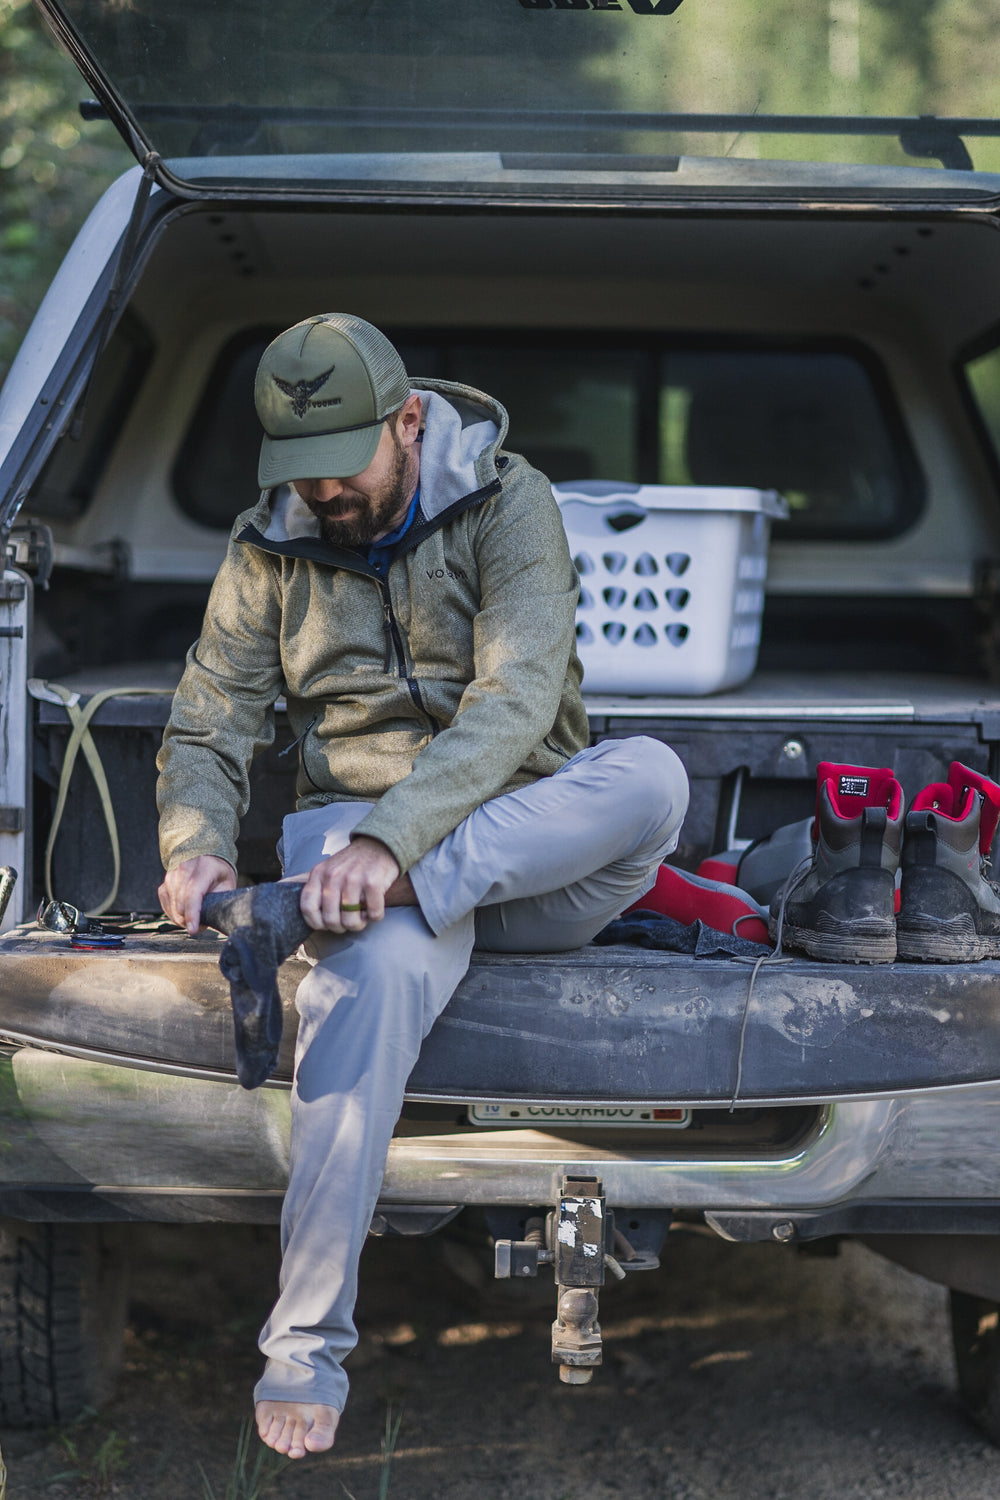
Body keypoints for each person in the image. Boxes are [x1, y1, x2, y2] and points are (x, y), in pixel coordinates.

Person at [155, 313, 689, 1459]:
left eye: (339, 463)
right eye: (298, 468)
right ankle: (304, 1349)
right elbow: (210, 718)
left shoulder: (510, 500)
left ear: (407, 422)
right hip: (353, 856)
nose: (320, 492)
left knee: (651, 776)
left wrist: (394, 852)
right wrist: (193, 842)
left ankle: (313, 906)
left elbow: (514, 701)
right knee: (361, 1009)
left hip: (508, 843)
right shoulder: (268, 542)